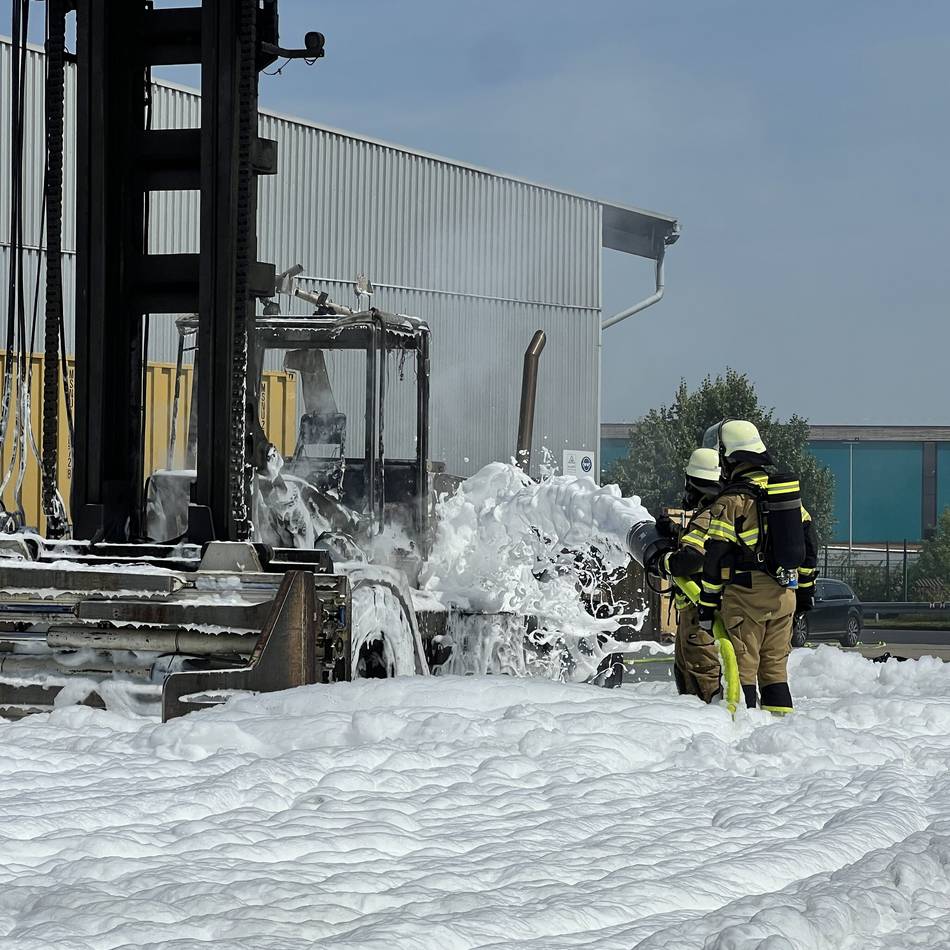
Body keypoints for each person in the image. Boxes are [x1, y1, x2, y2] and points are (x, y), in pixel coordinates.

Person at [697, 420, 808, 714]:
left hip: (747, 599)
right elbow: (810, 546)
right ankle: (782, 729)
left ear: (729, 458)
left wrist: (706, 605)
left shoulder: (733, 500)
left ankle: (742, 731)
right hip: (785, 595)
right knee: (775, 671)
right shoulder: (785, 496)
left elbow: (715, 556)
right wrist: (804, 595)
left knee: (741, 669)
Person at [655, 448, 723, 703]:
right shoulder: (712, 512)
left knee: (702, 676)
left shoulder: (710, 514)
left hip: (701, 614)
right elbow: (701, 545)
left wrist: (664, 562)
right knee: (686, 674)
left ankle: (712, 722)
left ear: (696, 484)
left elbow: (690, 560)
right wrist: (675, 532)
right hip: (693, 613)